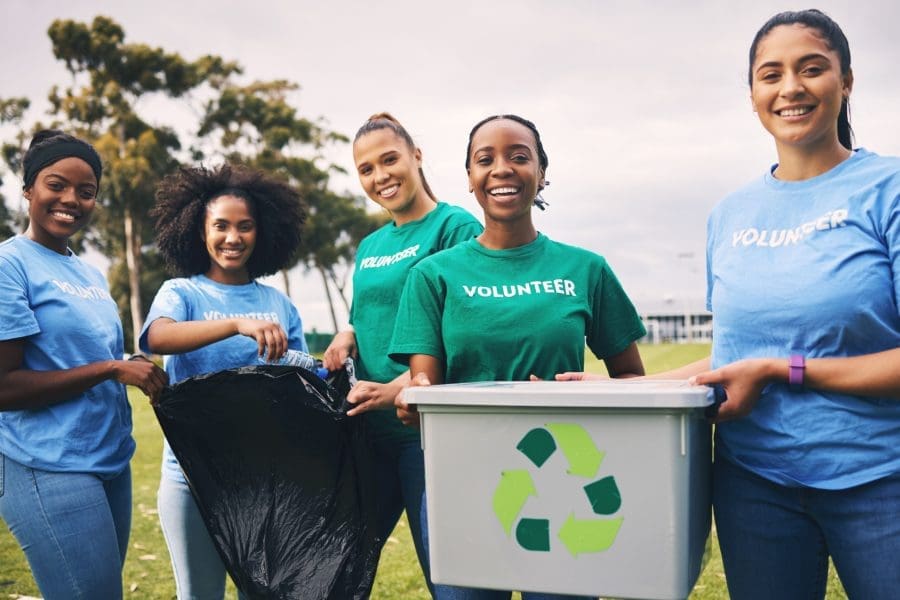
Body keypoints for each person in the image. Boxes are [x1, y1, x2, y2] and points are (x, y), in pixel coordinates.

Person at [561, 9, 900, 599]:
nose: (790, 87)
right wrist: (625, 389)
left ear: (846, 82)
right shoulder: (730, 215)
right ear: (752, 95)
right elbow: (733, 353)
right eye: (771, 75)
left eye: (812, 69)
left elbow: (762, 363)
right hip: (753, 486)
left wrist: (779, 371)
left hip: (878, 482)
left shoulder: (887, 189)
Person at [390, 115, 647, 600]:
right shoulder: (433, 275)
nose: (501, 169)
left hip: (566, 482)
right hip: (462, 484)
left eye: (519, 156)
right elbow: (423, 389)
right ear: (469, 179)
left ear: (542, 172)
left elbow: (631, 376)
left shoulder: (585, 268)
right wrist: (412, 399)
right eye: (485, 160)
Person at [0, 130, 167, 599]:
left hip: (109, 461)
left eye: (86, 191)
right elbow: (4, 387)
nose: (71, 199)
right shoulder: (9, 265)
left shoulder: (88, 272)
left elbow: (92, 356)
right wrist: (112, 370)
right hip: (47, 463)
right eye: (57, 185)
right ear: (29, 188)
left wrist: (128, 363)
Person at [322, 112, 482, 593]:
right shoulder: (370, 245)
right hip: (368, 436)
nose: (381, 176)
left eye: (390, 160)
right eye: (366, 169)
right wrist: (345, 332)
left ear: (416, 156)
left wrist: (400, 388)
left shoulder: (454, 227)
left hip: (427, 433)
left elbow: (466, 332)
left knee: (454, 581)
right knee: (334, 569)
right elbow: (369, 309)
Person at [140, 163, 309, 600]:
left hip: (263, 479)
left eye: (245, 227)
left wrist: (329, 360)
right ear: (200, 231)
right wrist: (236, 323)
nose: (232, 238)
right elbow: (158, 336)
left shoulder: (279, 304)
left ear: (262, 232)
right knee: (199, 595)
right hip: (190, 477)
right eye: (221, 226)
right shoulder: (182, 293)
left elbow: (301, 378)